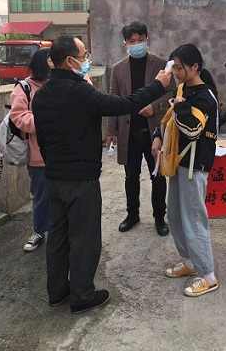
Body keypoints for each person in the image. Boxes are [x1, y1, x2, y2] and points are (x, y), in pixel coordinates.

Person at [33, 36, 172, 314]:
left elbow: (43, 141)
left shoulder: (42, 95)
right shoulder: (80, 92)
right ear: (70, 61)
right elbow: (125, 104)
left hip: (54, 178)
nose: (87, 60)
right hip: (81, 180)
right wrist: (159, 85)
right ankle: (82, 295)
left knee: (58, 236)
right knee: (84, 238)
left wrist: (54, 167)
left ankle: (57, 291)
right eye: (83, 56)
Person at [152, 43, 220, 297]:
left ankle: (208, 275)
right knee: (175, 215)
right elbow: (170, 119)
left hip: (195, 164)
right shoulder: (183, 88)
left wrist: (180, 106)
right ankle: (190, 262)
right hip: (179, 161)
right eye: (175, 68)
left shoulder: (205, 96)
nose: (176, 73)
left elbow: (192, 129)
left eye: (180, 68)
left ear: (195, 67)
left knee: (193, 218)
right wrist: (157, 135)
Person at [107, 21, 175, 236]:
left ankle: (159, 217)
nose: (136, 44)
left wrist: (154, 107)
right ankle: (132, 214)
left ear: (147, 39)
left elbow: (172, 93)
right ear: (125, 43)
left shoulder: (161, 65)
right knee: (131, 176)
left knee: (158, 176)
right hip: (128, 132)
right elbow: (113, 100)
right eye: (131, 41)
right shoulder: (118, 69)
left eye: (140, 40)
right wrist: (111, 132)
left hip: (154, 132)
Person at [10, 48, 52, 252]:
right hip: (38, 155)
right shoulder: (25, 88)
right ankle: (39, 231)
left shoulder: (62, 82)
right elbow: (18, 116)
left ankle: (62, 231)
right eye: (51, 60)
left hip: (64, 154)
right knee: (41, 195)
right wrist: (47, 122)